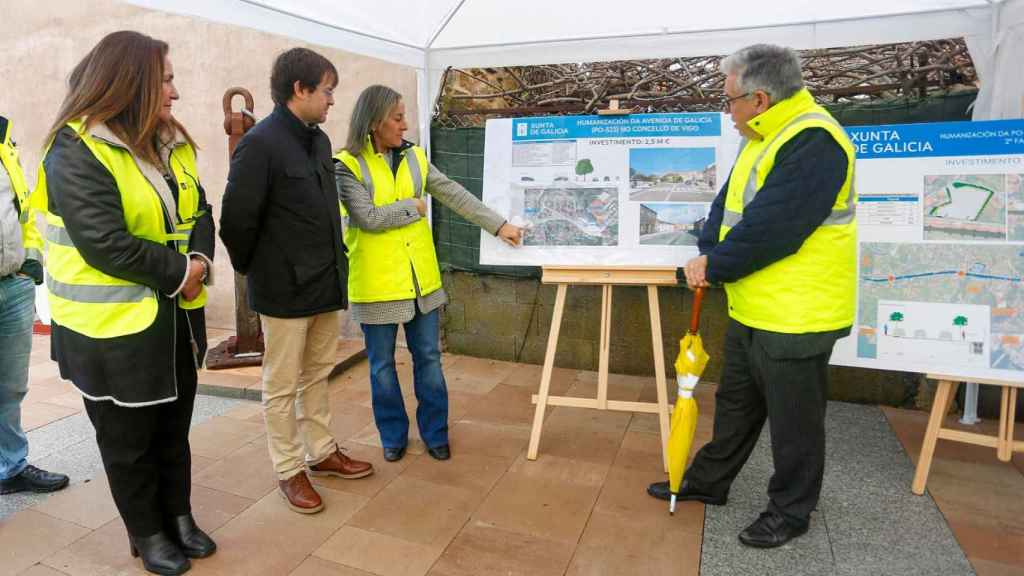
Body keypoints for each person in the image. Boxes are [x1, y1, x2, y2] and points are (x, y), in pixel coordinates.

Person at [646, 44, 857, 548]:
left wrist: (713, 265)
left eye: (731, 101)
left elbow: (773, 229)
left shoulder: (814, 140)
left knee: (795, 424)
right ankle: (709, 482)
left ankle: (791, 510)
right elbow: (730, 205)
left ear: (759, 99)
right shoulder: (763, 134)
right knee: (736, 404)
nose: (728, 112)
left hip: (798, 314)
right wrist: (706, 248)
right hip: (754, 304)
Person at [39, 31, 217, 574]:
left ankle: (179, 517)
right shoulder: (75, 149)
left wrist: (202, 261)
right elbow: (104, 241)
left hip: (174, 320)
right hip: (111, 331)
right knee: (128, 442)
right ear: (133, 81)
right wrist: (181, 272)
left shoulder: (168, 141)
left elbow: (200, 211)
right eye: (166, 79)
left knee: (173, 428)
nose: (175, 92)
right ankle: (147, 532)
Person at [220, 47, 374, 516]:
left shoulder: (318, 141)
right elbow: (235, 223)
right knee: (283, 384)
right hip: (284, 290)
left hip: (325, 282)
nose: (331, 101)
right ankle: (289, 469)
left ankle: (322, 452)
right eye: (326, 91)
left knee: (317, 375)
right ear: (300, 89)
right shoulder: (260, 143)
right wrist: (260, 270)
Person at [335, 85, 522, 463]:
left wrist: (498, 225)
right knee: (382, 367)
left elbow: (454, 194)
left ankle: (435, 433)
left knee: (430, 361)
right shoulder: (347, 165)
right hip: (376, 285)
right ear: (374, 122)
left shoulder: (416, 158)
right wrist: (413, 206)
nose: (406, 125)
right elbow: (367, 219)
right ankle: (393, 435)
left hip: (421, 282)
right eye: (398, 117)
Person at [0, 115, 70, 497]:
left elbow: (19, 207)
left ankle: (11, 467)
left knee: (10, 388)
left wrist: (30, 262)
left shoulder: (3, 133)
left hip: (12, 284)